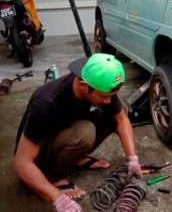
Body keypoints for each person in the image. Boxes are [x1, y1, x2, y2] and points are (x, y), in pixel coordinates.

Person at [13, 53, 142, 211]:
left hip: (65, 134)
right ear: (82, 85)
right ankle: (54, 178)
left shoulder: (95, 81)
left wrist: (132, 158)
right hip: (39, 155)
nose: (108, 101)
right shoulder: (45, 102)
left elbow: (121, 119)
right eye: (103, 96)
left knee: (120, 110)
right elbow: (21, 163)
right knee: (85, 132)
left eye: (110, 96)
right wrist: (57, 198)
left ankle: (74, 158)